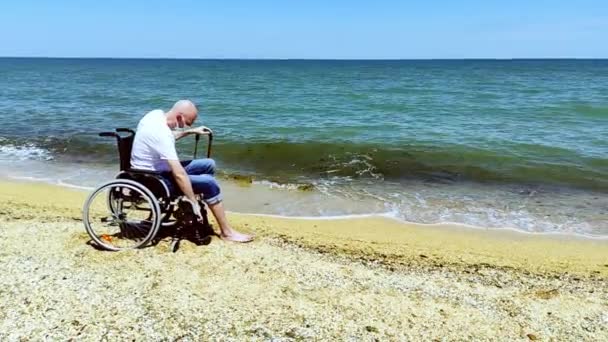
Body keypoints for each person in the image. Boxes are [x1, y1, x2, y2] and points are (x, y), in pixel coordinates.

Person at [130, 99, 254, 243]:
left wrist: (190, 131)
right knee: (209, 183)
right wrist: (193, 201)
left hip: (152, 169)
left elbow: (170, 137)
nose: (188, 125)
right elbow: (179, 174)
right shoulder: (161, 134)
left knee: (209, 164)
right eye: (188, 123)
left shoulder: (156, 115)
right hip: (154, 179)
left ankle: (200, 205)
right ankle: (226, 232)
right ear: (179, 117)